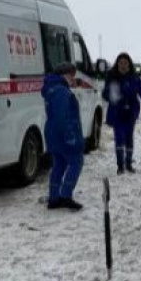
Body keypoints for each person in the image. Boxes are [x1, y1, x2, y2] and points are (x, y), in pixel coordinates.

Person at [42, 62, 86, 211]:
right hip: (63, 135)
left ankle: (54, 198)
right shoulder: (61, 91)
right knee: (76, 162)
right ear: (64, 75)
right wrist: (69, 136)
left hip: (53, 134)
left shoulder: (52, 89)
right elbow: (62, 117)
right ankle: (66, 196)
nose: (73, 78)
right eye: (71, 75)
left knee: (59, 164)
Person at [101, 53, 141, 175]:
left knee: (129, 138)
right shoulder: (112, 78)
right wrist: (110, 94)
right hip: (117, 113)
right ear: (117, 64)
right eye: (121, 63)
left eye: (125, 63)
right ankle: (120, 166)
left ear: (129, 64)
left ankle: (128, 164)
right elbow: (105, 94)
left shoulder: (134, 78)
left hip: (130, 113)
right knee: (119, 138)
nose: (123, 66)